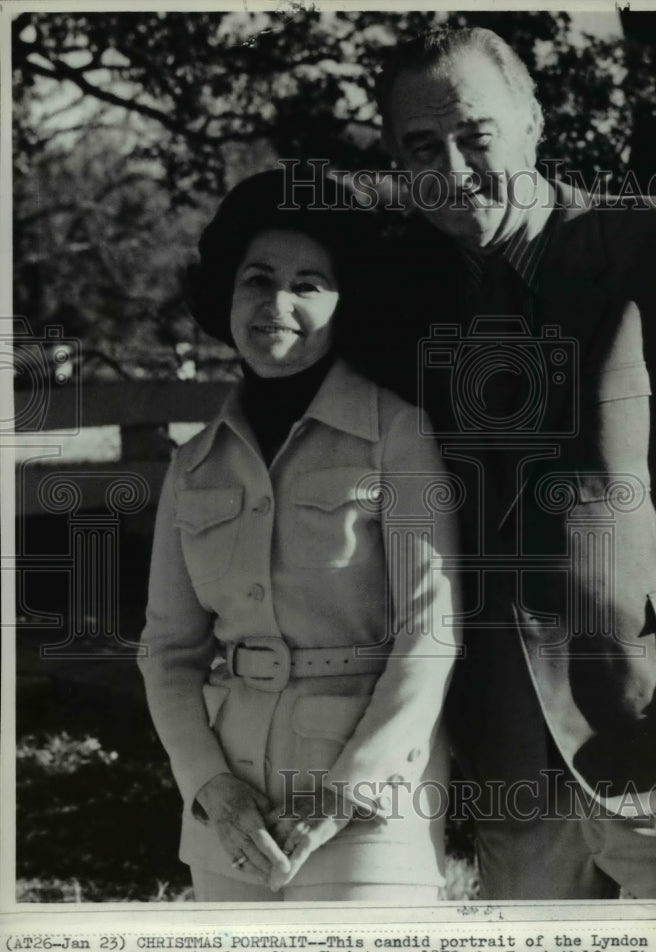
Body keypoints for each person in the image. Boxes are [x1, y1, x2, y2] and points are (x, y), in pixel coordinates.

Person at [367, 26, 656, 899]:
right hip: (499, 728)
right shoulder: (400, 289)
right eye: (421, 147)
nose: (452, 169)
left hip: (647, 709)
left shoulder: (644, 251)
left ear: (532, 121)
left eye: (474, 135)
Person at [138, 169, 461, 902]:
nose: (276, 304)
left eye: (308, 284)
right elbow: (166, 653)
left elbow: (429, 634)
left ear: (347, 304)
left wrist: (344, 793)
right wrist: (211, 788)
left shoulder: (398, 434)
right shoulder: (193, 464)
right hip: (230, 812)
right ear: (227, 294)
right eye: (257, 279)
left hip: (372, 805)